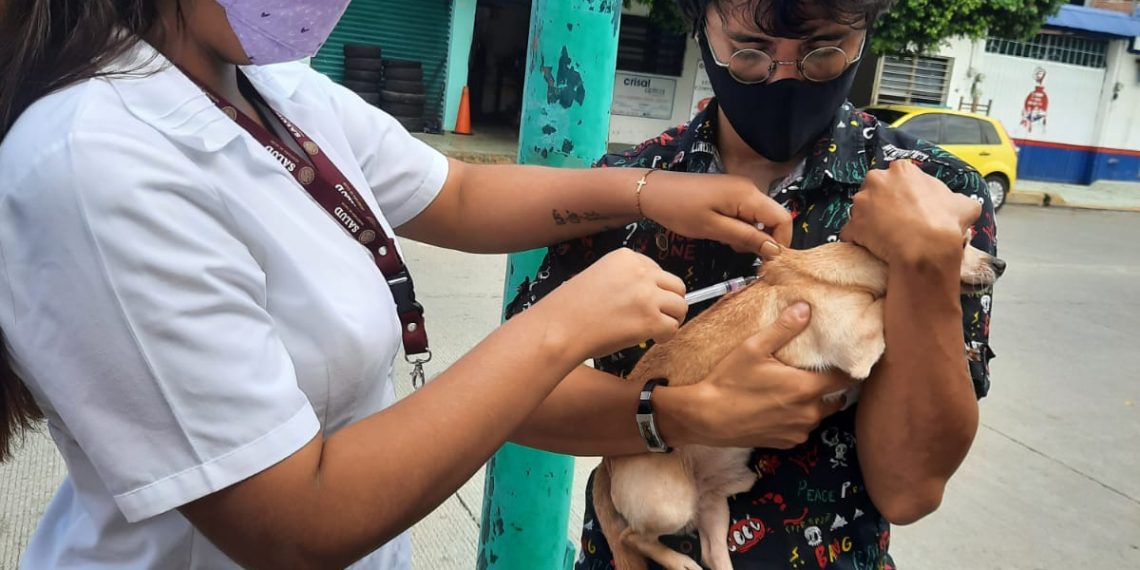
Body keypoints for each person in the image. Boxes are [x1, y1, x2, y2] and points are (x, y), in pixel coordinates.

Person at [0, 1, 856, 569]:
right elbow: (295, 522)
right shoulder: (95, 161)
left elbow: (456, 193)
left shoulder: (265, 87)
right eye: (750, 46)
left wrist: (646, 190)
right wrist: (563, 330)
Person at [506, 0, 998, 568]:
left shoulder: (933, 191)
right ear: (701, 28)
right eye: (749, 52)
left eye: (824, 50)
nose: (784, 76)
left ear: (866, 34)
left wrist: (924, 264)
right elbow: (518, 397)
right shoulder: (630, 186)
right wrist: (675, 412)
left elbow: (910, 487)